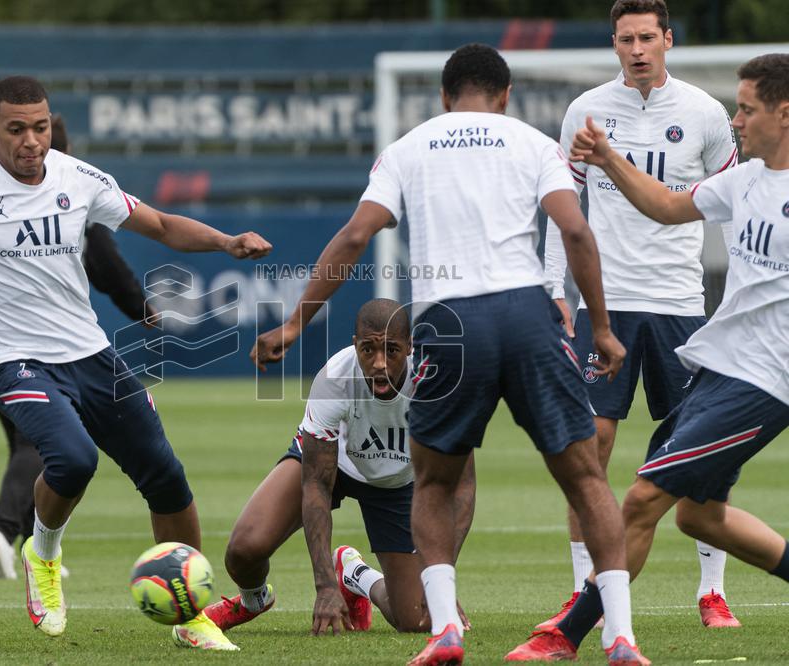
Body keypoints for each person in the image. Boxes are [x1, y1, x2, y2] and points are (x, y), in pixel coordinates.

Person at [252, 44, 647, 666]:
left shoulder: (409, 148)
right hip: (527, 316)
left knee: (433, 482)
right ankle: (619, 637)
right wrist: (600, 327)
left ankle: (445, 631)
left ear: (443, 96)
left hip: (450, 321)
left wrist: (296, 323)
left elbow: (356, 235)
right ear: (505, 94)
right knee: (586, 478)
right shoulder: (533, 143)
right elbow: (575, 231)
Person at [0, 76, 271, 648]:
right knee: (72, 459)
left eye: (42, 126)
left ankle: (191, 616)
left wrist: (226, 241)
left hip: (91, 353)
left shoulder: (78, 178)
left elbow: (161, 224)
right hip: (11, 360)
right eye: (17, 129)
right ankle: (42, 555)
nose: (32, 141)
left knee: (166, 477)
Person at [509, 51, 789, 660]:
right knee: (699, 518)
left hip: (765, 382)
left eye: (747, 109)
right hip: (721, 366)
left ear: (784, 114)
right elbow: (666, 205)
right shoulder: (744, 180)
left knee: (641, 498)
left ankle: (567, 634)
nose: (736, 121)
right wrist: (608, 157)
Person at [540, 0, 742, 631]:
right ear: (615, 44)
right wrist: (556, 289)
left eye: (647, 37)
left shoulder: (706, 114)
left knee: (698, 450)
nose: (636, 49)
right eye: (625, 39)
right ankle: (585, 594)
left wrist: (737, 294)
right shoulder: (587, 111)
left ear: (668, 40)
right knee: (588, 450)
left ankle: (712, 591)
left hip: (682, 306)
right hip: (608, 305)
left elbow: (732, 207)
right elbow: (562, 204)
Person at [201, 299, 474, 639]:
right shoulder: (335, 377)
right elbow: (315, 483)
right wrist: (324, 587)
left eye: (391, 350)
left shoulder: (435, 382)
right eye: (367, 349)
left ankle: (355, 573)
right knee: (243, 552)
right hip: (332, 460)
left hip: (395, 483)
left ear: (409, 348)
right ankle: (254, 600)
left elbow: (463, 486)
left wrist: (440, 583)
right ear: (355, 345)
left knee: (417, 619)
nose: (378, 363)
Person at [0, 114, 157, 581]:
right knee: (52, 447)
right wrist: (140, 306)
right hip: (37, 355)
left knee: (39, 446)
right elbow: (105, 261)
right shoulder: (65, 195)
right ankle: (8, 536)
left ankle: (37, 544)